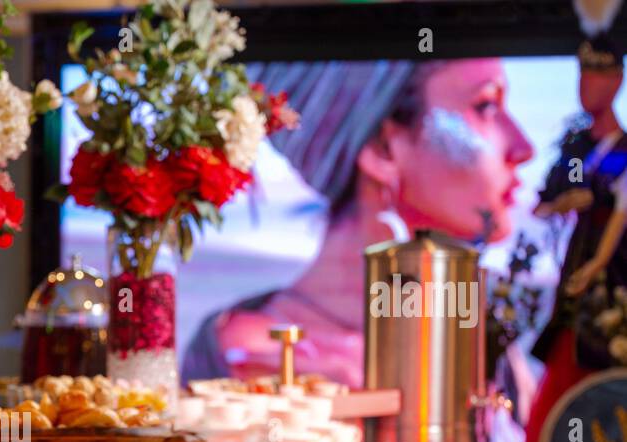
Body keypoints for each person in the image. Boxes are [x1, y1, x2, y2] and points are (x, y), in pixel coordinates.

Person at [183, 59, 534, 387]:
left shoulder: (488, 352)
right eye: (485, 106)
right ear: (383, 150)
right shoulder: (251, 363)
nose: (524, 147)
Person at [524, 35, 627, 442]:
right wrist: (567, 200)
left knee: (608, 384)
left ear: (618, 81)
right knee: (565, 386)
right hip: (575, 285)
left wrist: (594, 201)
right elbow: (543, 203)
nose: (586, 86)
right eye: (582, 75)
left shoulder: (624, 151)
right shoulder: (574, 147)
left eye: (598, 75)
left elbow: (620, 212)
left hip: (617, 284)